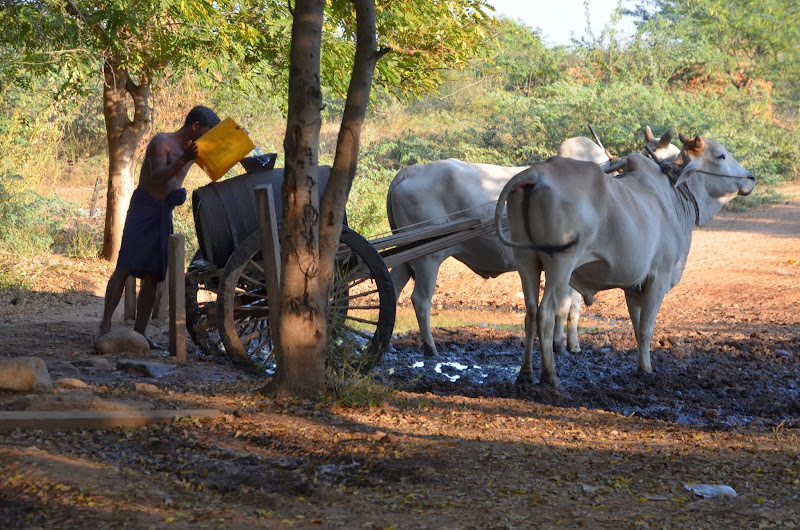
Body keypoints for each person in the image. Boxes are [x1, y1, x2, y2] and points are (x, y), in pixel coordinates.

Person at [97, 105, 221, 349]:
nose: (207, 138)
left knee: (154, 275)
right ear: (195, 127)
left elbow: (220, 161)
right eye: (206, 132)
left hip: (164, 213)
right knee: (124, 267)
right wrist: (183, 160)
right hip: (144, 208)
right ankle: (105, 326)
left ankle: (140, 335)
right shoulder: (161, 143)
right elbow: (156, 177)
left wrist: (237, 139)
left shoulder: (196, 151)